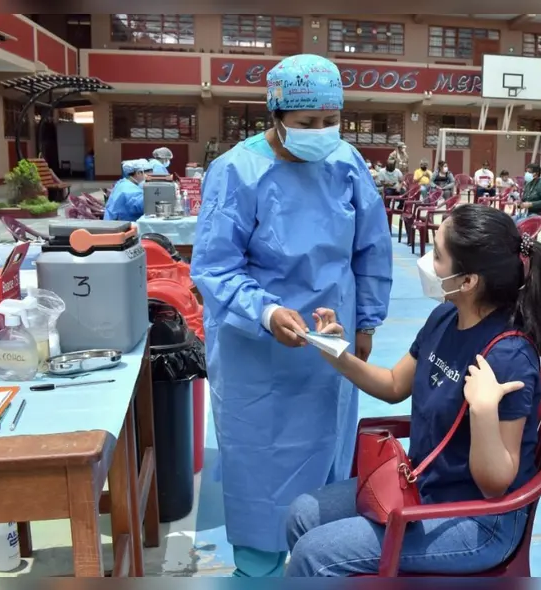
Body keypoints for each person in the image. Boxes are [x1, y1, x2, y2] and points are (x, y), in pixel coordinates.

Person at [190, 53, 394, 578]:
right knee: (261, 465)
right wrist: (267, 310)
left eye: (330, 121)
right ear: (276, 115)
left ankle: (319, 558)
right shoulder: (237, 170)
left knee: (328, 455)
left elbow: (371, 247)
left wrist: (367, 322)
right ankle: (258, 567)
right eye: (308, 124)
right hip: (256, 354)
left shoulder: (346, 163)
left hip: (330, 344)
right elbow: (215, 266)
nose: (322, 133)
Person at [284, 204, 541, 576]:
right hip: (423, 483)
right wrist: (336, 354)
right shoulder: (445, 317)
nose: (427, 262)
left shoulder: (508, 355)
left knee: (313, 555)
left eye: (438, 255)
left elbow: (495, 486)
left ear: (468, 281)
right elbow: (395, 385)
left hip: (478, 520)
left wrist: (482, 410)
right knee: (302, 515)